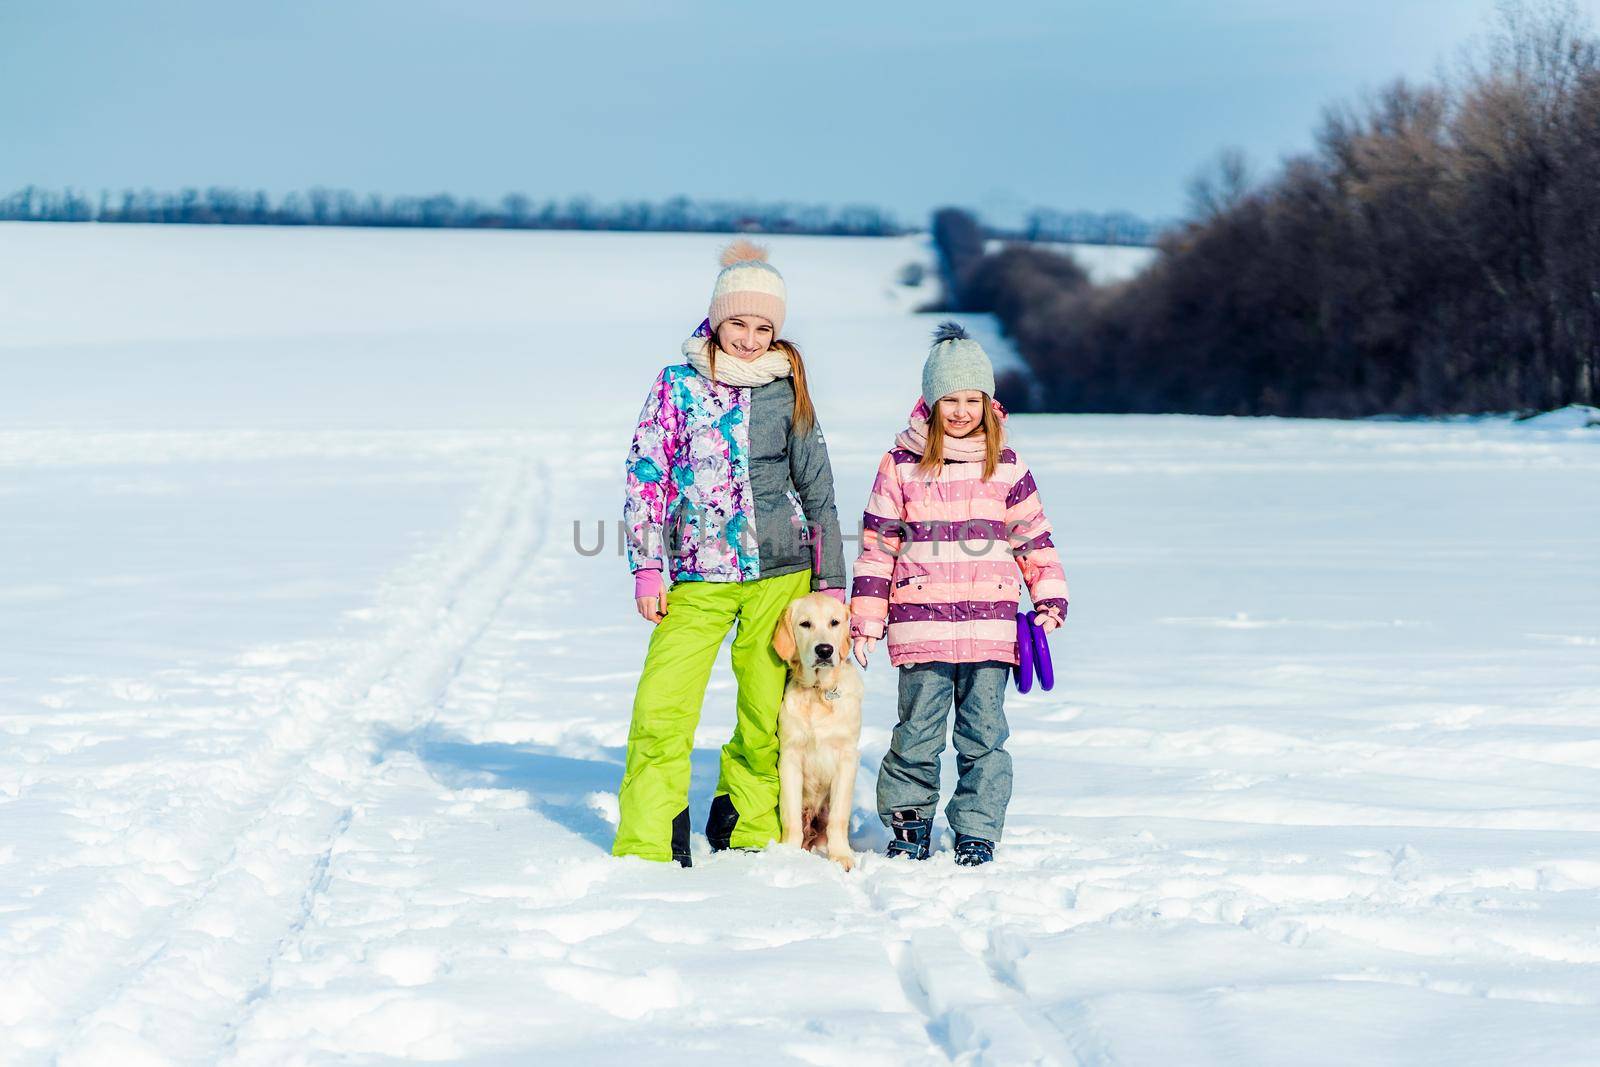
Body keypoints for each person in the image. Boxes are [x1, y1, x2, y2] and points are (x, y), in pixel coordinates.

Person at [613, 241, 847, 867]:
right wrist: (646, 566)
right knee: (663, 703)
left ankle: (743, 824)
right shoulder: (677, 385)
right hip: (695, 575)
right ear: (717, 319)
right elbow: (647, 476)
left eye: (764, 327)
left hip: (782, 574)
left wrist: (829, 582)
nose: (749, 338)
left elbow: (815, 484)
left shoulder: (786, 386)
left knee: (765, 711)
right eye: (739, 323)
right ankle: (651, 836)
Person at [849, 322, 1069, 866]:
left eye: (973, 398)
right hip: (920, 624)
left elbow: (1033, 537)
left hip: (991, 627)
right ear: (930, 401)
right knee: (918, 732)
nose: (962, 410)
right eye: (951, 399)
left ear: (990, 403)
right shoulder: (900, 464)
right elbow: (878, 546)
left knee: (984, 735)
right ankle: (908, 822)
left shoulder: (1007, 466)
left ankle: (977, 827)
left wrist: (1049, 595)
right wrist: (866, 619)